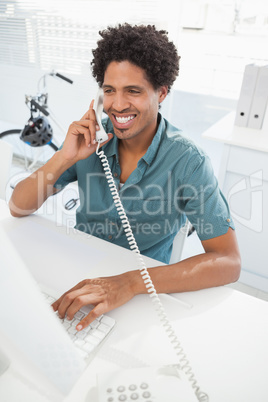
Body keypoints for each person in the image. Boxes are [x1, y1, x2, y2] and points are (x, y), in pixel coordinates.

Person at [9, 23, 241, 332]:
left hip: (141, 290)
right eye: (109, 90)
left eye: (133, 91)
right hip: (77, 269)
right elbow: (17, 207)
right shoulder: (90, 140)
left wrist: (131, 282)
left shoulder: (187, 161)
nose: (117, 105)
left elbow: (228, 260)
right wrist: (64, 156)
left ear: (161, 92)